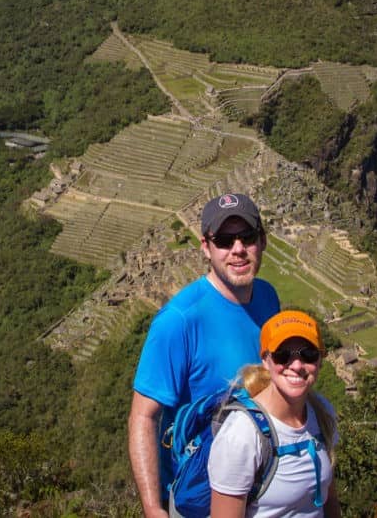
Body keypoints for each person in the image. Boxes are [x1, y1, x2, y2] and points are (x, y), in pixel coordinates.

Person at [129, 193, 281, 518]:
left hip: (264, 487)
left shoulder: (268, 298)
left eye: (247, 237)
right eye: (225, 240)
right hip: (201, 500)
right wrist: (153, 507)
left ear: (262, 241)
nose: (237, 249)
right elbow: (143, 417)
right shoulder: (179, 321)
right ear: (206, 247)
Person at [208, 310, 341, 518]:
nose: (296, 365)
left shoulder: (321, 412)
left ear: (320, 360)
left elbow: (329, 499)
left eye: (308, 354)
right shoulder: (241, 435)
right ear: (265, 360)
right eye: (283, 355)